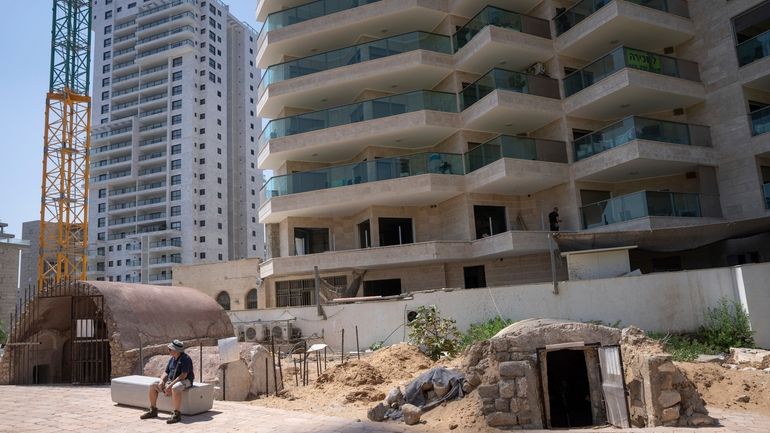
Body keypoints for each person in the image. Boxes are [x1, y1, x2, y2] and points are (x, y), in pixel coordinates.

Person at [140, 339, 195, 424]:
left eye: (170, 349)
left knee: (176, 388)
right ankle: (153, 410)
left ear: (176, 350)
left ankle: (176, 414)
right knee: (153, 386)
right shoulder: (172, 359)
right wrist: (162, 381)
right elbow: (166, 372)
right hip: (172, 381)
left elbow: (183, 375)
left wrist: (170, 385)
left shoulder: (185, 359)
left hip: (186, 380)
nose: (168, 350)